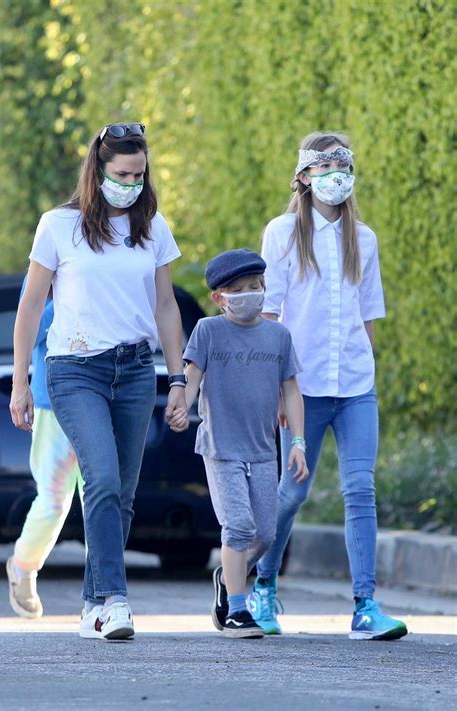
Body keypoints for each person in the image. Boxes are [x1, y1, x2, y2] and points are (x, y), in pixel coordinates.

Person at [10, 122, 187, 641]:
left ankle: (93, 606)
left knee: (122, 495)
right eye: (122, 174)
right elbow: (30, 305)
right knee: (102, 480)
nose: (132, 184)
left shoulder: (153, 227)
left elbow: (165, 306)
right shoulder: (58, 226)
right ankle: (114, 600)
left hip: (134, 370)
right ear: (98, 170)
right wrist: (21, 381)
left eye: (139, 175)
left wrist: (178, 379)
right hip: (75, 369)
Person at [249, 131, 408, 640]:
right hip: (302, 388)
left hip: (356, 386)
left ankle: (365, 605)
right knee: (292, 492)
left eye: (344, 168)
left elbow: (369, 316)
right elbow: (270, 314)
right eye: (325, 168)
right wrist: (275, 389)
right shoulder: (282, 234)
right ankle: (262, 585)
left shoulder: (364, 239)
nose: (336, 177)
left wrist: (366, 367)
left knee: (360, 488)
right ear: (304, 176)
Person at [168, 249, 308, 638]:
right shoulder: (208, 331)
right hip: (221, 448)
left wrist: (298, 442)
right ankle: (237, 609)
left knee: (265, 534)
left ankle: (228, 578)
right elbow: (193, 377)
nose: (251, 294)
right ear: (220, 298)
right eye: (241, 289)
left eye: (256, 286)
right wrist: (183, 406)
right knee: (239, 526)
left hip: (263, 450)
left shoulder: (278, 336)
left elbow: (291, 391)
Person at [6, 281, 83, 619]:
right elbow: (30, 329)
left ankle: (104, 592)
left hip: (103, 397)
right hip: (52, 401)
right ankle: (22, 567)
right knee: (54, 501)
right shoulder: (43, 266)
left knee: (102, 497)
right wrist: (65, 302)